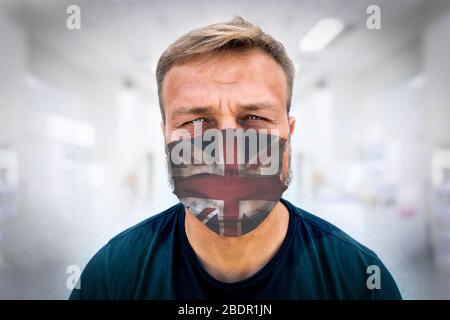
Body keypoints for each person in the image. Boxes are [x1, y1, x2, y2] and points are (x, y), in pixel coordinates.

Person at [70, 17, 401, 300]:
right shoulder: (111, 277)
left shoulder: (359, 280)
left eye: (255, 118)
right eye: (195, 123)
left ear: (290, 133)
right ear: (166, 136)